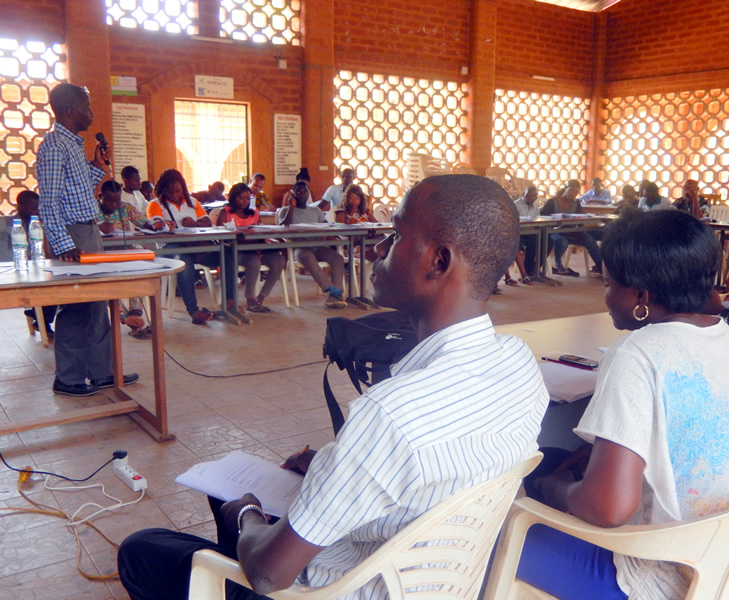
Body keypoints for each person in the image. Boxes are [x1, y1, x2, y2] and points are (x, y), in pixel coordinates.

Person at [117, 173, 550, 600]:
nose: (378, 249)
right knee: (232, 505)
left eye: (396, 236)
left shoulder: (390, 413)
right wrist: (334, 468)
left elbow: (270, 574)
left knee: (145, 549)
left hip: (335, 588)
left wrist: (247, 512)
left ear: (439, 261)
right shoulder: (519, 363)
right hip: (438, 580)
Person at [517, 210, 729, 600]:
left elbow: (607, 508)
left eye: (608, 283)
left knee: (493, 526)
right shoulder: (721, 334)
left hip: (657, 575)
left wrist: (553, 489)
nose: (606, 294)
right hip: (725, 558)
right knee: (552, 454)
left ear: (640, 298)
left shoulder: (637, 353)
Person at [36, 82, 138, 397]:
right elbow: (49, 203)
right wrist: (64, 244)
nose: (92, 112)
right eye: (88, 106)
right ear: (71, 111)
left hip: (88, 228)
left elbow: (79, 190)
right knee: (76, 307)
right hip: (72, 234)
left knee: (97, 303)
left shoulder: (73, 145)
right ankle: (68, 378)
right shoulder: (54, 145)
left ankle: (101, 372)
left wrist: (98, 165)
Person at [147, 168, 238, 324]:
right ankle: (194, 311)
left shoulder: (192, 202)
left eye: (178, 191)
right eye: (170, 192)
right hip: (170, 246)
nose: (175, 195)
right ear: (163, 191)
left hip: (197, 244)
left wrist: (195, 223)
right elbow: (156, 224)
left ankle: (229, 301)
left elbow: (207, 222)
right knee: (184, 259)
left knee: (227, 253)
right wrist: (164, 225)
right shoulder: (155, 204)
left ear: (183, 188)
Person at [96, 180, 157, 339]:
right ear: (100, 196)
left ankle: (136, 313)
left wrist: (156, 225)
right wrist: (99, 227)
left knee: (140, 270)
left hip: (124, 252)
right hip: (100, 254)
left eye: (117, 200)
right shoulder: (91, 210)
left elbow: (144, 223)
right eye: (109, 200)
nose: (114, 204)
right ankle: (125, 317)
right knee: (106, 282)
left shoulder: (125, 208)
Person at [216, 182, 286, 313]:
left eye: (248, 199)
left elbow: (260, 231)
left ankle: (261, 297)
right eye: (241, 198)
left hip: (256, 248)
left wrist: (262, 243)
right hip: (237, 251)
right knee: (254, 261)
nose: (244, 202)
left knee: (279, 260)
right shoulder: (225, 213)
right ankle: (250, 298)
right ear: (233, 198)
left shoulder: (254, 214)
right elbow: (221, 236)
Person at [278, 181, 347, 309]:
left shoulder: (316, 210)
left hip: (318, 246)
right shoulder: (286, 211)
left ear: (308, 193)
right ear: (293, 194)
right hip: (299, 248)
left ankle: (334, 296)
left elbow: (325, 225)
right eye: (298, 192)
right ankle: (330, 288)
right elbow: (283, 226)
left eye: (305, 192)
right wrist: (291, 208)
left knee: (338, 258)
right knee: (308, 256)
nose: (302, 194)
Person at [15, 190, 57, 338]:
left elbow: (46, 251)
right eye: (33, 208)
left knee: (56, 282)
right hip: (18, 268)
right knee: (47, 286)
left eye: (38, 208)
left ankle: (39, 317)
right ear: (20, 207)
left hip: (38, 266)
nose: (37, 212)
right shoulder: (11, 225)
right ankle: (39, 319)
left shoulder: (39, 223)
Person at [540, 180, 602, 277]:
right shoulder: (552, 202)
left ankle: (602, 267)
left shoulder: (576, 203)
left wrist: (584, 218)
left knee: (589, 239)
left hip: (571, 231)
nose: (573, 194)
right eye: (571, 191)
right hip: (555, 231)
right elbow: (543, 217)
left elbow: (580, 219)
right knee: (562, 241)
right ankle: (558, 265)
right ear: (566, 188)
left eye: (576, 193)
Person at [514, 185, 541, 285]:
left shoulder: (535, 206)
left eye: (534, 196)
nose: (531, 198)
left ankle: (532, 269)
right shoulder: (516, 205)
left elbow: (538, 219)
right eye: (529, 195)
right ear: (524, 194)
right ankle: (525, 271)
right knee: (518, 245)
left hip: (530, 232)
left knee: (540, 242)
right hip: (518, 233)